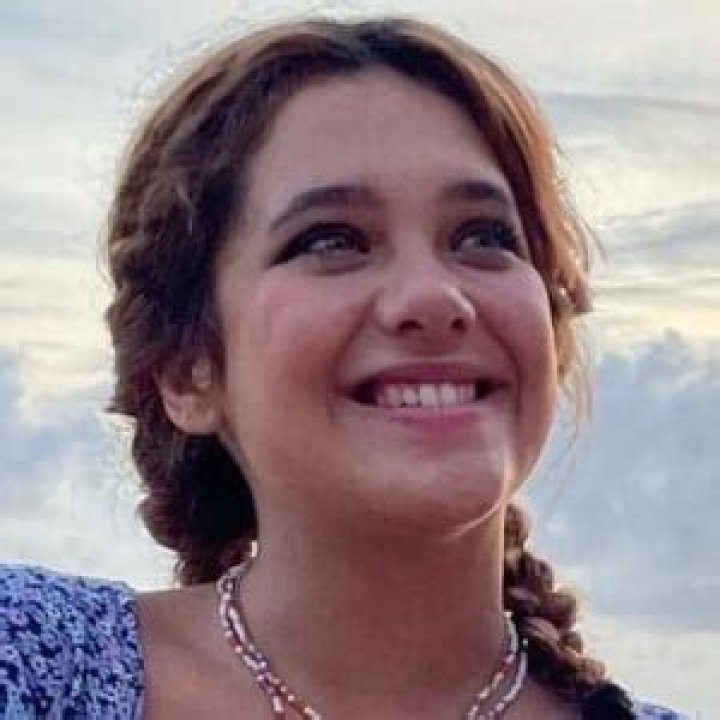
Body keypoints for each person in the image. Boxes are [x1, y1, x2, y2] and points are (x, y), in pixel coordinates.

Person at [0, 16, 686, 720]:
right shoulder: (32, 666)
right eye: (332, 241)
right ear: (186, 369)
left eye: (483, 236)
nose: (434, 298)